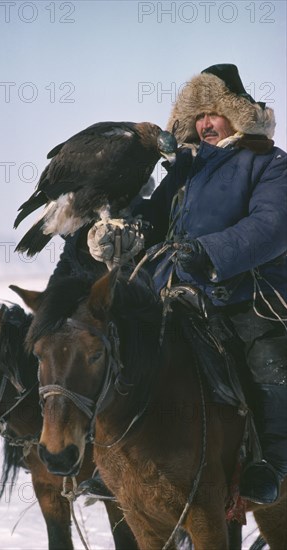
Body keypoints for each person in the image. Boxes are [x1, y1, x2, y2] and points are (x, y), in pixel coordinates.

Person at [84, 64, 287, 505]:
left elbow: (272, 227)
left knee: (268, 362)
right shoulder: (184, 168)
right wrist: (124, 236)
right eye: (198, 115)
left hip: (245, 294)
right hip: (170, 291)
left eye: (214, 113)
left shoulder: (270, 163)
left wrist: (208, 251)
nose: (204, 124)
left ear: (240, 115)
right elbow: (155, 222)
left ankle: (271, 463)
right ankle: (115, 459)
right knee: (119, 350)